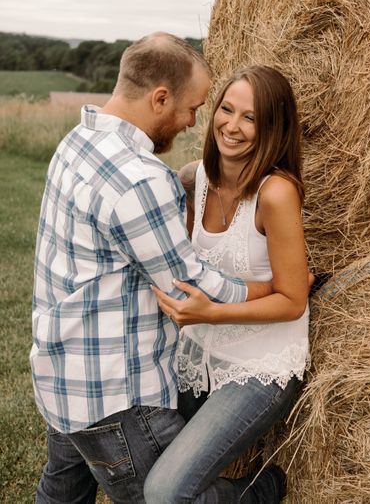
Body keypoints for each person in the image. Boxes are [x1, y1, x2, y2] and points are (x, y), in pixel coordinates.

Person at [30, 34, 278, 504]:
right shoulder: (142, 179)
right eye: (191, 108)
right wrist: (269, 289)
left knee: (60, 493)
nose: (193, 123)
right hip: (114, 396)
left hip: (59, 371)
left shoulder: (78, 139)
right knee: (165, 498)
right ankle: (264, 491)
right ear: (159, 97)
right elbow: (190, 286)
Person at [145, 65, 310, 503]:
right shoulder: (196, 179)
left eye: (250, 118)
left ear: (272, 127)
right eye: (226, 109)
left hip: (260, 365)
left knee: (162, 493)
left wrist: (213, 313)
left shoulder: (276, 194)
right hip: (197, 354)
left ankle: (260, 492)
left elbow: (294, 300)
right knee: (135, 466)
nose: (231, 126)